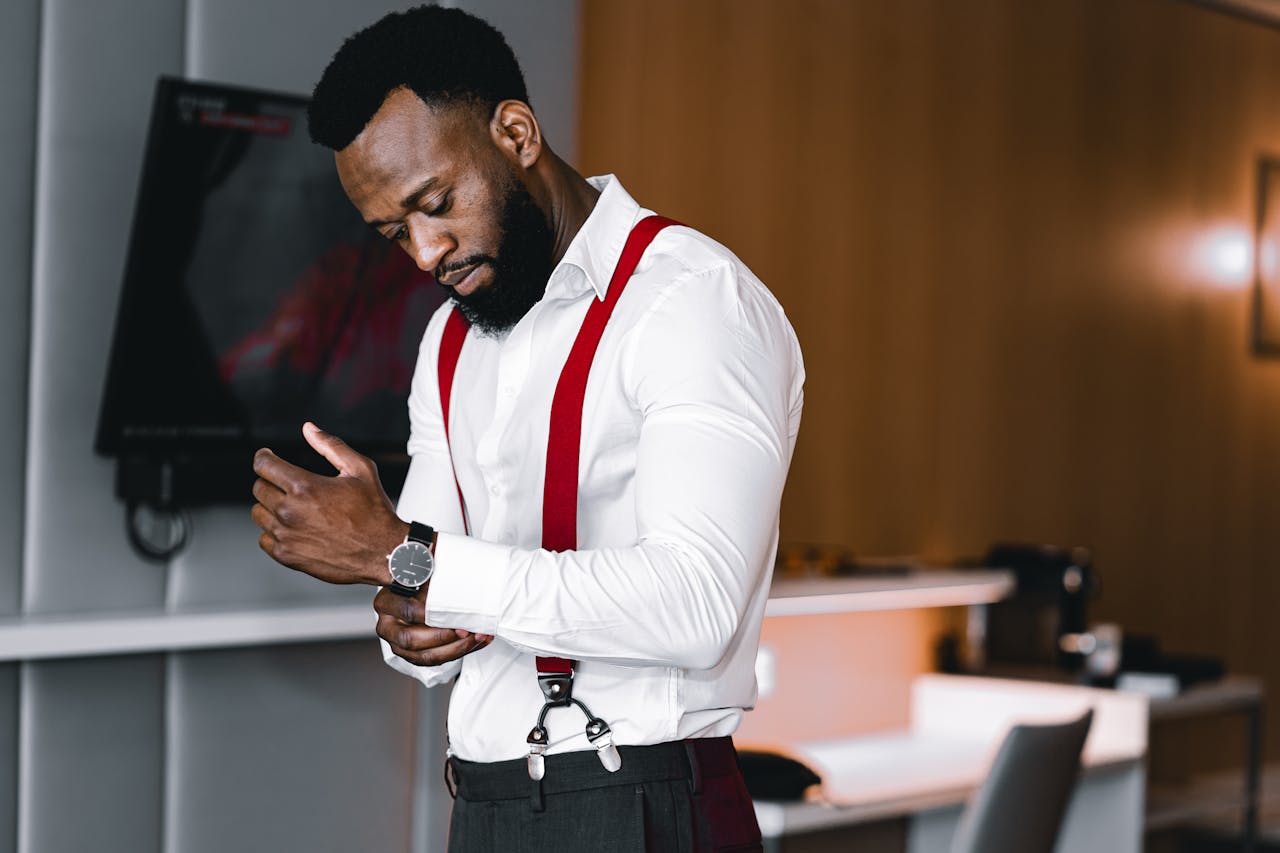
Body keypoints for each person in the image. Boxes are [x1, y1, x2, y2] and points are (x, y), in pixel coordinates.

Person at [249, 6, 804, 851]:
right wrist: (408, 617)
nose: (427, 253)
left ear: (515, 133)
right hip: (486, 806)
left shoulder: (690, 300)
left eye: (436, 204)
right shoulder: (449, 339)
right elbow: (432, 576)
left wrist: (406, 558)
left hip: (644, 801)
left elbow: (698, 605)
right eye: (395, 233)